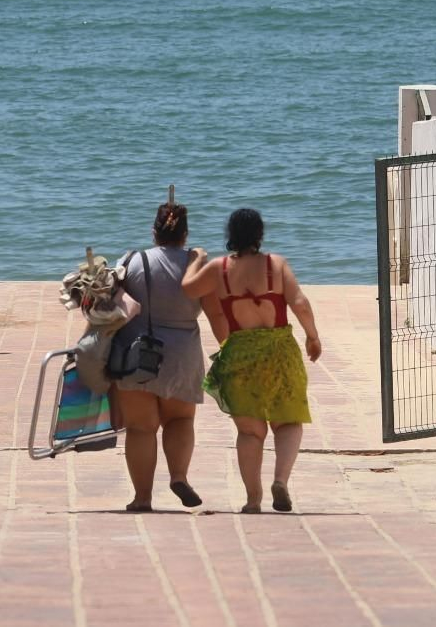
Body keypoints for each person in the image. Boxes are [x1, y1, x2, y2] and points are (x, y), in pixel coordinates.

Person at [183, 208, 320, 514]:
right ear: (260, 234)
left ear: (230, 235)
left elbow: (188, 288)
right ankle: (281, 480)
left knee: (249, 432)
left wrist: (194, 261)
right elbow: (300, 303)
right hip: (279, 351)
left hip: (240, 353)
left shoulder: (218, 269)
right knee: (287, 422)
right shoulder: (276, 265)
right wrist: (313, 336)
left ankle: (253, 499)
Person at [111, 201, 210, 512]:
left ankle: (142, 498)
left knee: (141, 428)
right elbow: (214, 308)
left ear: (154, 232)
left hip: (136, 353)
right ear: (186, 234)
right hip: (183, 354)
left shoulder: (133, 260)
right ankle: (178, 476)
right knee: (180, 420)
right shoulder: (197, 267)